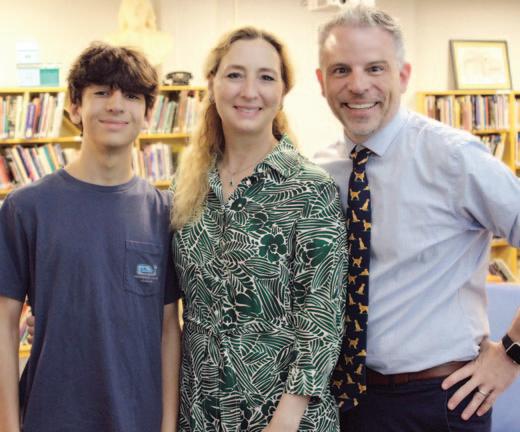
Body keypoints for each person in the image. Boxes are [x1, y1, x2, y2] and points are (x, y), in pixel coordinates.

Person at [313, 4, 520, 431]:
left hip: (441, 400)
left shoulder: (454, 157)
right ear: (321, 81)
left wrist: (511, 353)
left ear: (403, 75)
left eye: (375, 68)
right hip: (345, 402)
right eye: (341, 70)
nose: (358, 85)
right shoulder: (319, 171)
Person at [171, 27, 347, 431]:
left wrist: (284, 422)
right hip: (202, 416)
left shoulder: (309, 188)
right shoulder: (187, 186)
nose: (249, 91)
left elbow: (322, 318)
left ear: (282, 92)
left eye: (266, 77)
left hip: (288, 420)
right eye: (235, 75)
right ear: (212, 84)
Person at [0, 43, 181, 432]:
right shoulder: (25, 208)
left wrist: (168, 426)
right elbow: (5, 325)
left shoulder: (164, 213)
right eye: (101, 92)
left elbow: (169, 329)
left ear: (149, 113)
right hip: (50, 417)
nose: (116, 105)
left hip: (139, 419)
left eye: (131, 96)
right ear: (74, 107)